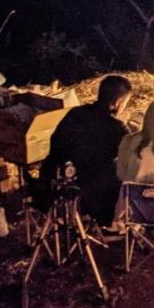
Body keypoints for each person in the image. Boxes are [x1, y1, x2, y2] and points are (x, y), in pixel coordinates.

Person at [39, 75, 133, 225]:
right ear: (118, 102)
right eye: (125, 103)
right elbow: (130, 156)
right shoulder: (117, 128)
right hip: (93, 192)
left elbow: (55, 142)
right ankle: (112, 223)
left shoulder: (75, 113)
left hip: (58, 185)